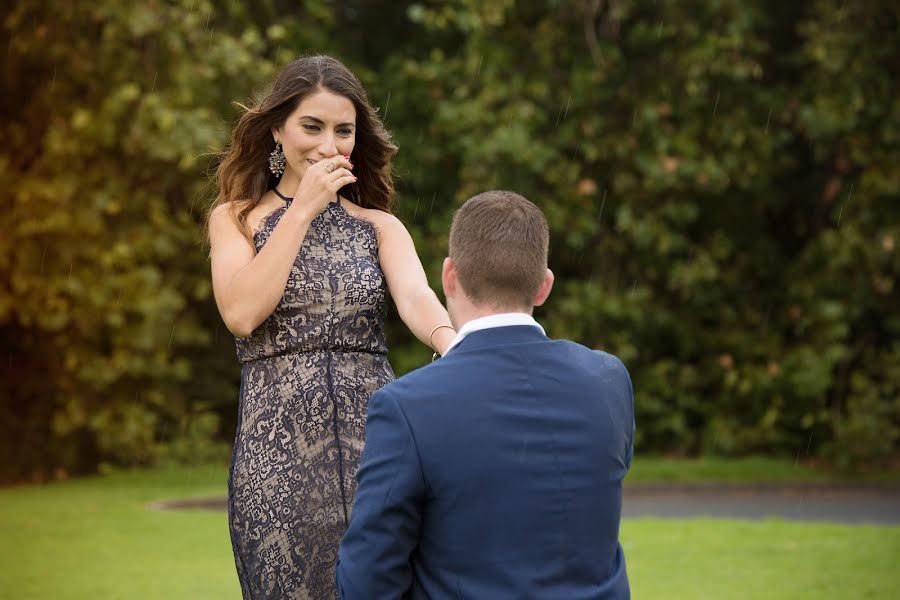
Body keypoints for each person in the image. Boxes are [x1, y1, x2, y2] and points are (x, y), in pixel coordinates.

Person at [207, 55, 456, 599]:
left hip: (379, 448)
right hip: (277, 455)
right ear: (277, 130)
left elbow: (416, 296)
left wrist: (449, 340)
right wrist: (301, 211)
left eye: (344, 131)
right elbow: (242, 313)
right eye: (311, 127)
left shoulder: (381, 226)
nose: (329, 145)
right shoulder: (236, 218)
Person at [337, 190, 635, 599]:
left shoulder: (408, 405)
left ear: (449, 276)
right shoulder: (607, 379)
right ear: (544, 286)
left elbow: (366, 580)